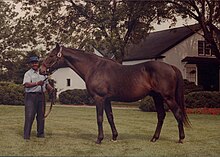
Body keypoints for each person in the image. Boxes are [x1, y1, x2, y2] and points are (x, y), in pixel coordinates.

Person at [23, 56, 53, 140]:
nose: (34, 64)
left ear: (38, 63)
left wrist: (51, 89)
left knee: (41, 116)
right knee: (29, 116)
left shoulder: (42, 73)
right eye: (32, 63)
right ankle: (26, 135)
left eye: (36, 62)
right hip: (31, 97)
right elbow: (26, 84)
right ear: (30, 64)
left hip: (41, 96)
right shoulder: (28, 73)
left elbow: (46, 84)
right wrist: (36, 83)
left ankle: (40, 134)